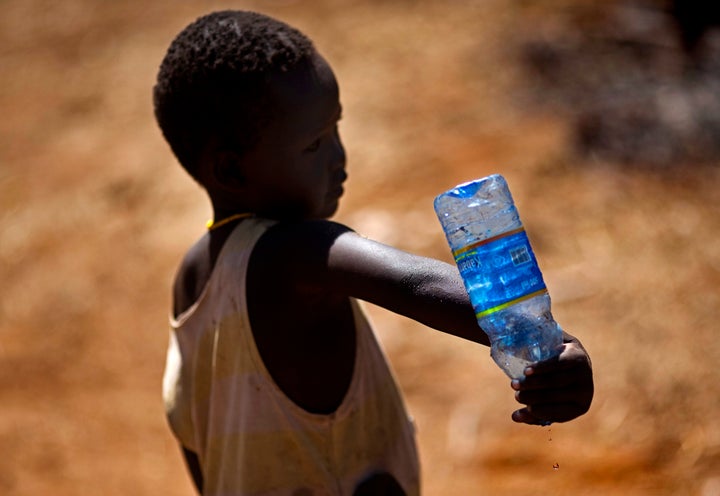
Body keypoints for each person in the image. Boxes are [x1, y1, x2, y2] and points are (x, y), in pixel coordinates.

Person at [154, 10, 593, 496]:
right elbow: (417, 284)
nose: (340, 157)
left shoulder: (190, 280)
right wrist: (545, 341)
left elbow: (201, 451)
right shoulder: (293, 253)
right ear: (232, 171)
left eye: (336, 128)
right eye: (316, 143)